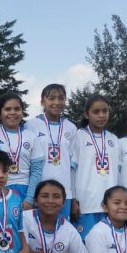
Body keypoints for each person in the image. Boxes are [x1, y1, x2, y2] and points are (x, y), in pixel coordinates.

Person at [71, 95, 120, 238]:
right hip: (85, 204)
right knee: (84, 246)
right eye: (96, 111)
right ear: (86, 114)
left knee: (107, 246)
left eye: (105, 111)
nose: (101, 115)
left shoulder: (113, 139)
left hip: (109, 205)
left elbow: (118, 172)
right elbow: (72, 171)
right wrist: (73, 200)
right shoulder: (78, 136)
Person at [25, 84, 77, 219]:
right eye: (51, 98)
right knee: (38, 234)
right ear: (42, 101)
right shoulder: (31, 125)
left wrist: (74, 197)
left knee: (62, 232)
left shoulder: (71, 128)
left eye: (61, 98)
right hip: (40, 190)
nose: (56, 102)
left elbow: (72, 166)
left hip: (64, 192)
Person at [0, 92, 44, 209]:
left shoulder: (31, 136)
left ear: (22, 112)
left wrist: (30, 199)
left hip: (25, 190)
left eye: (17, 109)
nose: (12, 113)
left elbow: (37, 170)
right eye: (7, 109)